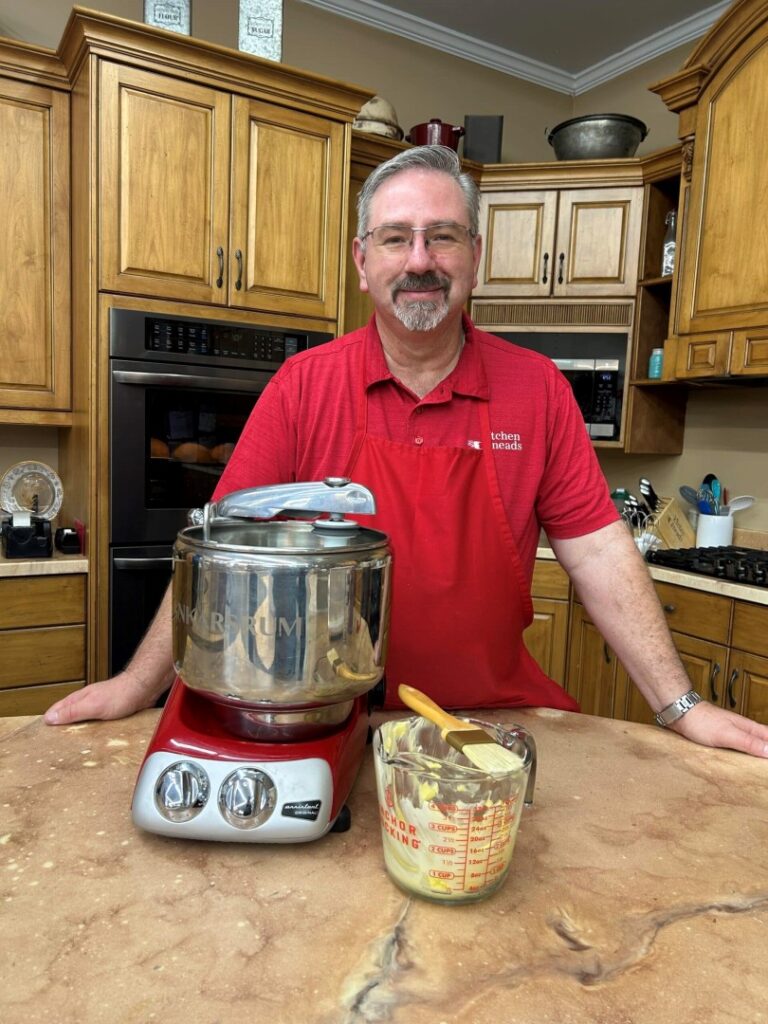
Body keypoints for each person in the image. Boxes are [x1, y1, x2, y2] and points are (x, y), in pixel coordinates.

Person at [45, 145, 768, 759]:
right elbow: (220, 546)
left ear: (475, 260)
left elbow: (601, 554)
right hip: (327, 717)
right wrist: (138, 685)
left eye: (442, 236)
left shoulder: (537, 390)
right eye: (396, 238)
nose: (419, 260)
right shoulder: (304, 385)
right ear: (364, 263)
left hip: (487, 723)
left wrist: (682, 707)